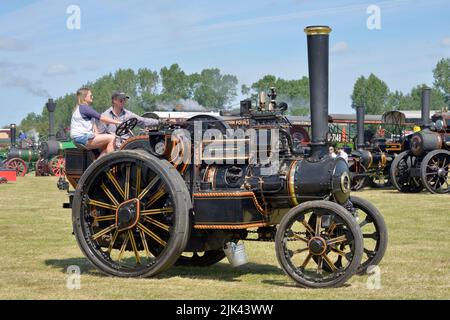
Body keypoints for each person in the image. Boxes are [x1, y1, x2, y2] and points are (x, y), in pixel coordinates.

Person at [70, 87, 121, 157]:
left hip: (81, 137)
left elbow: (93, 126)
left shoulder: (81, 108)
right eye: (90, 96)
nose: (92, 97)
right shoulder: (84, 108)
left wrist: (98, 133)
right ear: (84, 97)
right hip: (82, 137)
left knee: (106, 142)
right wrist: (118, 122)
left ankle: (99, 163)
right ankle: (109, 164)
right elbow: (101, 118)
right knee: (112, 138)